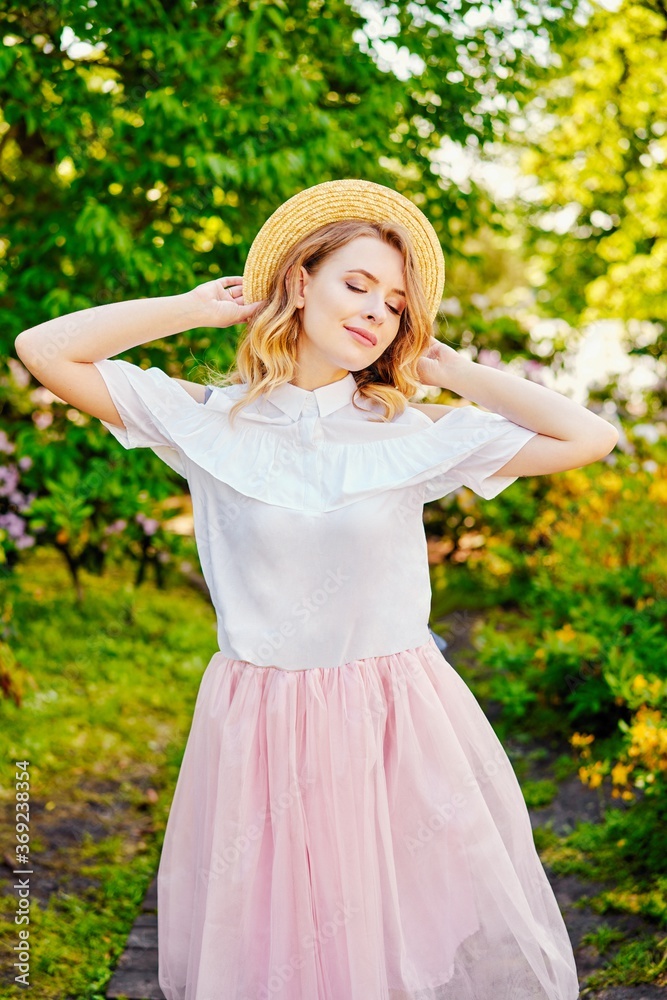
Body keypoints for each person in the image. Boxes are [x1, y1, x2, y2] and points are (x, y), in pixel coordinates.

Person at [15, 178, 617, 1000]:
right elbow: (44, 348)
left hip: (390, 722)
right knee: (272, 953)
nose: (377, 312)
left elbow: (590, 436)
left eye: (397, 304)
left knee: (380, 951)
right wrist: (194, 308)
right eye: (357, 284)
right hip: (255, 726)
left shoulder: (413, 432)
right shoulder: (207, 420)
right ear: (300, 283)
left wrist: (450, 368)